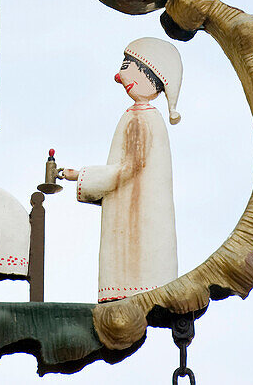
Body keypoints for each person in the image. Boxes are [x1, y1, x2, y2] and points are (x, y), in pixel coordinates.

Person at [60, 37, 182, 302]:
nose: (119, 76)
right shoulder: (141, 116)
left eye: (127, 66)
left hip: (136, 240)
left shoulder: (141, 119)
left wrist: (79, 176)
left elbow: (128, 168)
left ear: (148, 74)